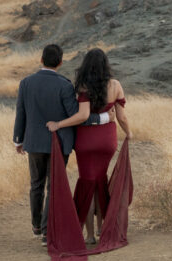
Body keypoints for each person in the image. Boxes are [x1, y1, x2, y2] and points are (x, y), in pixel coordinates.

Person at [13, 44, 109, 244]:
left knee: (35, 184)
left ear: (41, 60)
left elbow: (21, 113)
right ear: (60, 62)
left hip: (34, 142)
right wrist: (103, 118)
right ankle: (48, 233)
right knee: (53, 186)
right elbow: (78, 116)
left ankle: (36, 226)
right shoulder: (65, 85)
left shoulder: (26, 83)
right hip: (59, 143)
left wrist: (18, 140)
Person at [46, 48, 131, 244]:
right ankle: (103, 228)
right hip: (107, 141)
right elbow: (121, 117)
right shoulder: (116, 85)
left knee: (87, 183)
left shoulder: (83, 87)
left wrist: (58, 124)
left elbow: (83, 116)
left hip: (86, 142)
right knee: (100, 181)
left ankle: (90, 236)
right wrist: (129, 132)